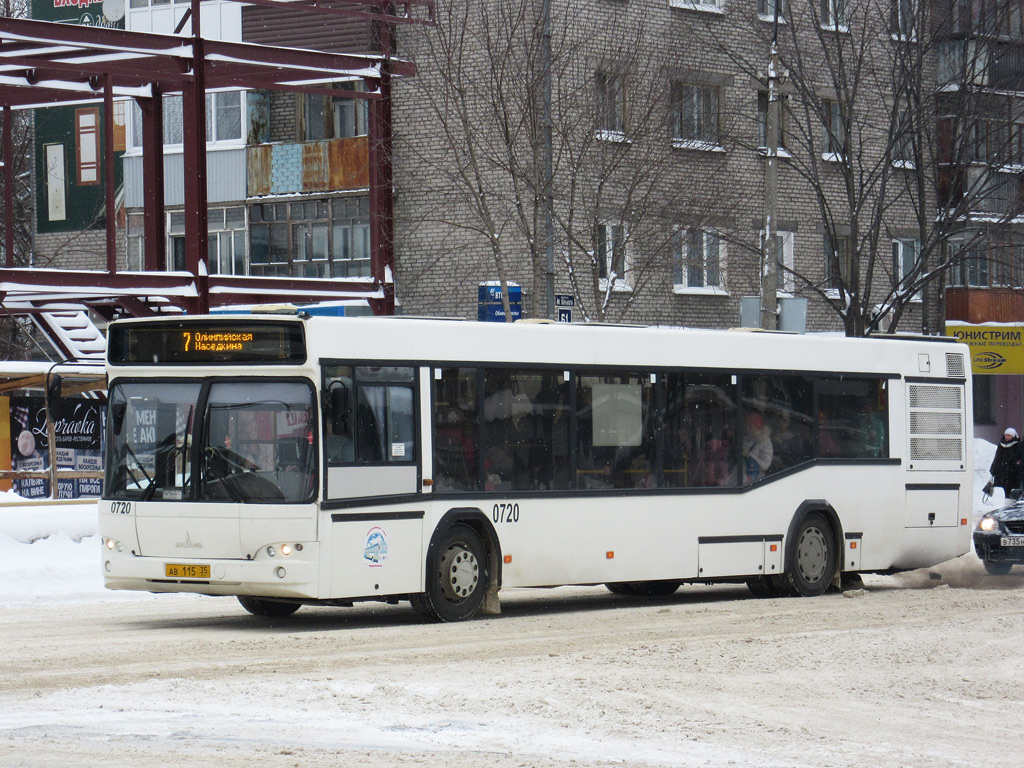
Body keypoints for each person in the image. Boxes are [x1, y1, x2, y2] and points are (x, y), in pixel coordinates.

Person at [742, 411, 773, 483]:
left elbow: (766, 465)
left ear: (757, 426)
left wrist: (751, 457)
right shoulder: (747, 439)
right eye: (746, 425)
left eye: (750, 426)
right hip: (743, 477)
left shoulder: (765, 441)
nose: (747, 428)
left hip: (756, 481)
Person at [989, 427, 1021, 498]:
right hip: (1001, 472)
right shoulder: (1001, 444)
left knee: (1011, 488)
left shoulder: (1017, 445)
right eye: (1006, 435)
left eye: (1009, 435)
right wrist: (994, 469)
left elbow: (1017, 458)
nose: (1007, 437)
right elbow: (997, 457)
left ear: (1013, 436)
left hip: (1012, 472)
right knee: (1002, 489)